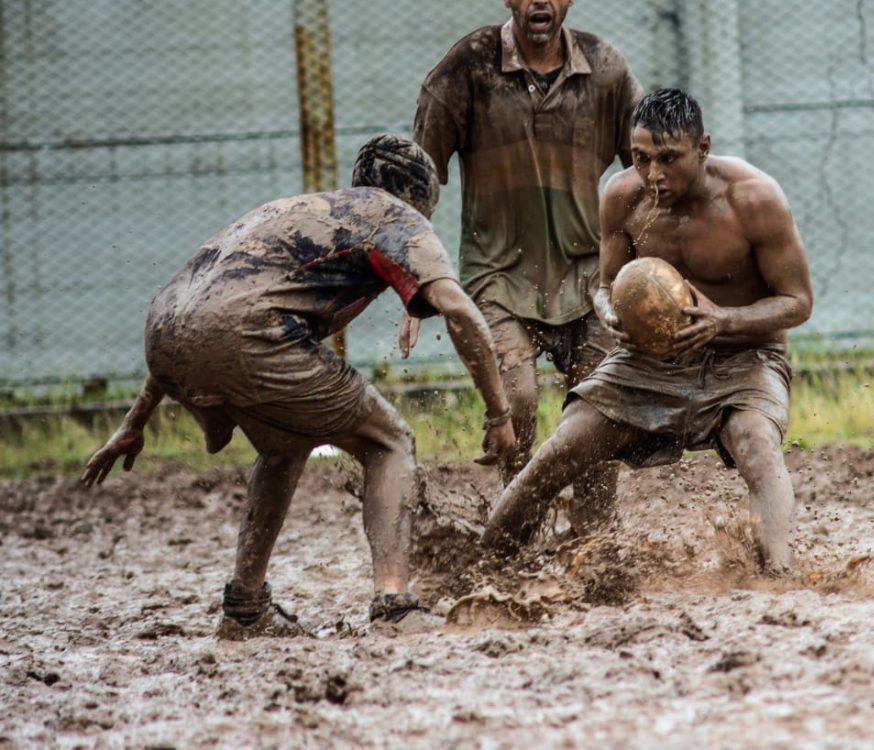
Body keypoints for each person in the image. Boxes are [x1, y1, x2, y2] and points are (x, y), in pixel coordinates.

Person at [82, 135, 516, 637]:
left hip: (164, 332)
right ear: (421, 197)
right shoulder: (398, 215)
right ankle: (395, 607)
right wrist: (498, 414)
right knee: (389, 441)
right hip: (249, 334)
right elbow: (461, 310)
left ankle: (245, 607)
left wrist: (133, 423)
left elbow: (197, 316)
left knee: (285, 443)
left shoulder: (299, 209)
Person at [482, 89, 814, 574]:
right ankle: (485, 566)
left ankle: (778, 574)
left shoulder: (754, 199)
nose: (654, 174)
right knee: (561, 450)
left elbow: (798, 303)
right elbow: (603, 286)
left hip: (745, 355)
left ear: (703, 147)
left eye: (668, 159)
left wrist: (724, 320)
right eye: (641, 158)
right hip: (646, 362)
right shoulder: (622, 196)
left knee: (756, 446)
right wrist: (611, 312)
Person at [410, 0, 643, 535]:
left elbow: (649, 168)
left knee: (597, 413)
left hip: (590, 275)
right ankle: (519, 529)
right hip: (497, 274)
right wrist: (411, 275)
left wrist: (652, 264)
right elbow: (418, 178)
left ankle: (594, 539)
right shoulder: (466, 68)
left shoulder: (606, 68)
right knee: (517, 402)